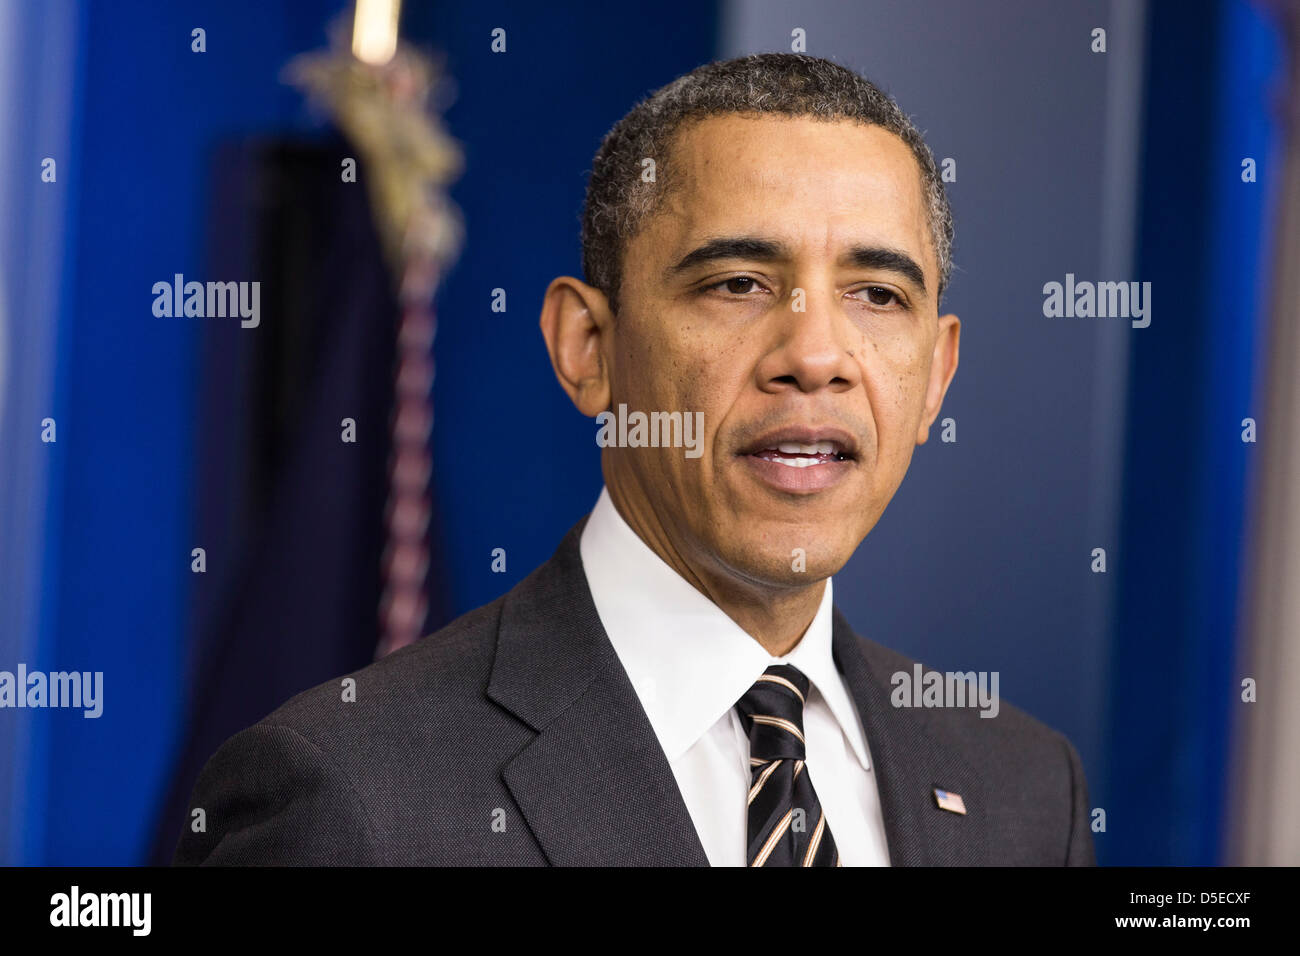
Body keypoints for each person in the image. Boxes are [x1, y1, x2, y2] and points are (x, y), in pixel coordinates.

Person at [174, 52, 1095, 867]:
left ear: (936, 376)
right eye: (738, 284)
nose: (816, 356)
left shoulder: (1026, 789)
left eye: (878, 295)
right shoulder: (350, 796)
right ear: (587, 348)